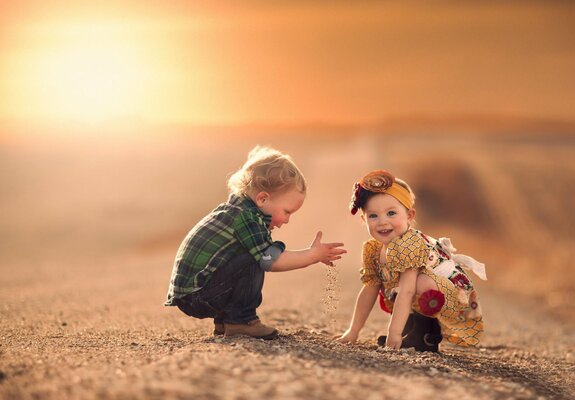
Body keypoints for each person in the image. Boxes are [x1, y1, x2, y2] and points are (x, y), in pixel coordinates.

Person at [164, 146, 346, 340]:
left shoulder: (236, 210)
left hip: (194, 293)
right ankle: (241, 321)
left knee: (247, 255)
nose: (287, 220)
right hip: (198, 296)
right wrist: (312, 255)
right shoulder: (247, 218)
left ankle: (225, 321)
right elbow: (271, 260)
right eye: (287, 211)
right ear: (263, 198)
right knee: (256, 258)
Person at [338, 170, 486, 350]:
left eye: (391, 213)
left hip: (452, 298)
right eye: (373, 216)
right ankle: (411, 327)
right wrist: (353, 331)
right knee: (387, 283)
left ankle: (426, 335)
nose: (382, 222)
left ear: (409, 216)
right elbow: (369, 289)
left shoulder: (411, 244)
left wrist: (394, 333)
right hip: (422, 295)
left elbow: (407, 292)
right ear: (364, 219)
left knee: (417, 282)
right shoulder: (374, 249)